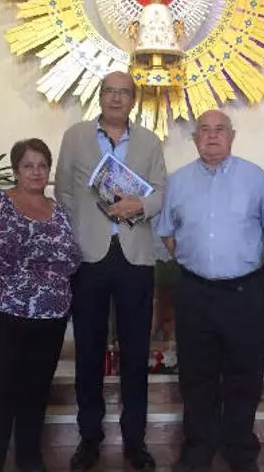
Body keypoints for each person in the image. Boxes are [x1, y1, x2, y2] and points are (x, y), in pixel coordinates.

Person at [54, 71, 167, 471]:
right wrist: (85, 226)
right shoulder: (76, 137)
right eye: (109, 91)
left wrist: (140, 205)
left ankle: (135, 441)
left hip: (135, 255)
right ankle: (89, 438)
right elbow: (63, 190)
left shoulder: (150, 142)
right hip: (89, 257)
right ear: (100, 96)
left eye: (124, 93)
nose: (116, 98)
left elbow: (160, 192)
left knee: (136, 354)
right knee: (88, 352)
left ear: (134, 100)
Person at [156, 109, 264, 472]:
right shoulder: (178, 182)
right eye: (204, 130)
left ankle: (240, 451)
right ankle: (197, 451)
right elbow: (167, 233)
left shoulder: (256, 179)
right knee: (196, 376)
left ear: (232, 136)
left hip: (243, 292)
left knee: (245, 375)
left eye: (220, 129)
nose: (211, 135)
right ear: (194, 139)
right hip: (194, 292)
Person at [0, 138, 82, 472]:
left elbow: (71, 259)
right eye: (28, 166)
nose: (36, 172)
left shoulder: (59, 211)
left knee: (36, 392)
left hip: (49, 319)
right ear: (16, 170)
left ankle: (30, 458)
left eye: (42, 165)